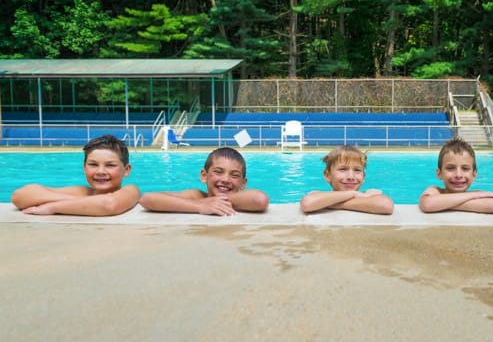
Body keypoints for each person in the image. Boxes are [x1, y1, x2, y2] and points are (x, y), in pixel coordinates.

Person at [11, 134, 140, 216]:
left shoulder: (131, 190)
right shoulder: (83, 192)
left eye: (110, 165)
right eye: (93, 165)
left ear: (126, 170)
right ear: (84, 168)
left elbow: (109, 204)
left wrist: (53, 207)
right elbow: (19, 196)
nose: (100, 171)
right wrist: (86, 202)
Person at [139, 147, 269, 216]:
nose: (225, 179)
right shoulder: (197, 196)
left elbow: (260, 200)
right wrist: (200, 206)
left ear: (243, 183)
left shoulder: (243, 198)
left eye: (234, 175)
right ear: (204, 176)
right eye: (218, 172)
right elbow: (147, 199)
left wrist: (217, 201)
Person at [300, 145, 394, 215]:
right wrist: (353, 194)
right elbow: (307, 204)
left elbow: (386, 205)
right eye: (343, 169)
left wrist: (331, 204)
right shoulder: (365, 196)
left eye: (357, 170)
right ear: (327, 175)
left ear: (363, 177)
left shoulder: (368, 194)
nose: (351, 176)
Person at [419, 138, 493, 214]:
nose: (458, 175)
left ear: (474, 175)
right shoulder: (435, 190)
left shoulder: (437, 196)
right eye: (450, 168)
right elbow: (427, 204)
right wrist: (474, 196)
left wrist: (443, 204)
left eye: (465, 169)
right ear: (439, 174)